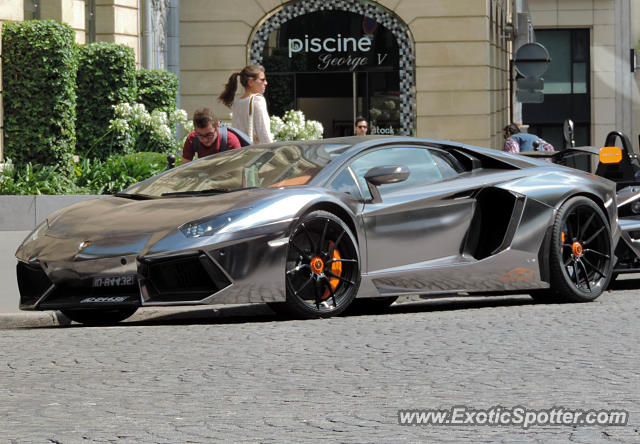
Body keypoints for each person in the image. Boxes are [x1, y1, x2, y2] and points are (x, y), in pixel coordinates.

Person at [218, 65, 273, 144]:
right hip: (257, 151)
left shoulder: (238, 102)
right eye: (262, 80)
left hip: (242, 151)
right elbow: (264, 133)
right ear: (250, 82)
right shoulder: (257, 100)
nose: (265, 83)